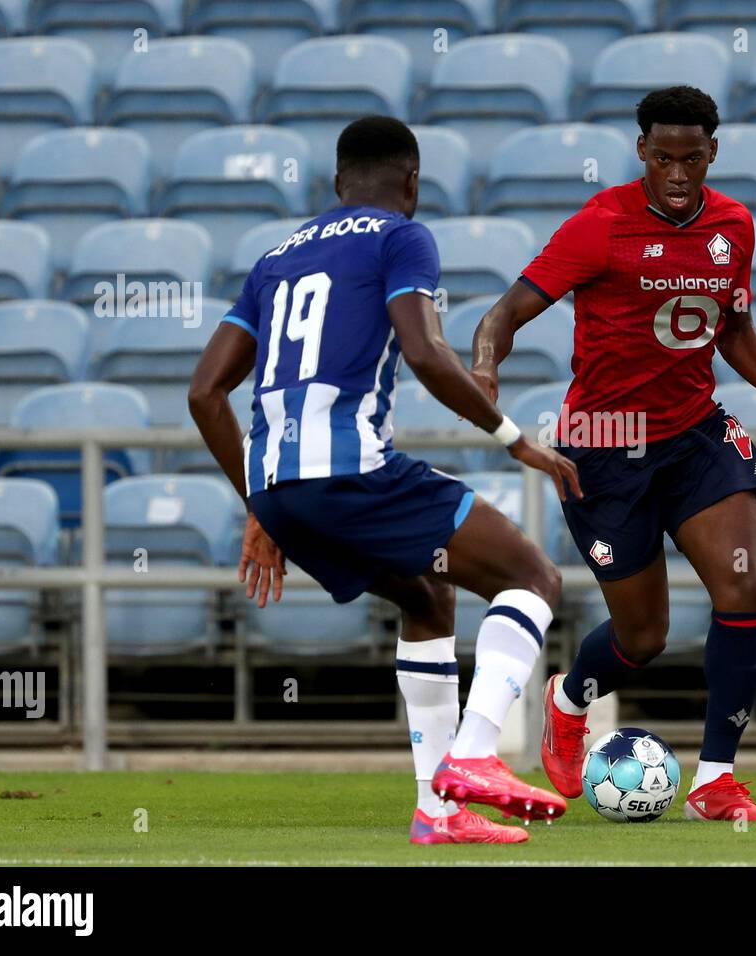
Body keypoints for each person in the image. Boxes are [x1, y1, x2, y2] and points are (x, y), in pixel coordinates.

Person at [188, 115, 583, 844]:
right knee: (534, 578)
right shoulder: (403, 236)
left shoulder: (275, 258)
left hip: (280, 487)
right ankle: (473, 758)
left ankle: (438, 813)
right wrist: (514, 441)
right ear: (412, 181)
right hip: (353, 470)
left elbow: (203, 393)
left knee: (426, 596)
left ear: (337, 184)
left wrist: (261, 509)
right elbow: (428, 354)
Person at [472, 86, 756, 821]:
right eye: (664, 157)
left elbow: (732, 329)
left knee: (744, 587)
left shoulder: (734, 224)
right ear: (641, 151)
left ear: (713, 154)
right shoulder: (599, 225)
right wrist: (485, 368)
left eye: (692, 158)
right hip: (607, 447)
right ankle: (570, 696)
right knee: (643, 636)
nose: (678, 172)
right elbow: (505, 312)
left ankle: (715, 782)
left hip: (697, 435)